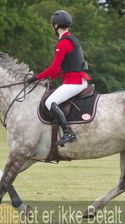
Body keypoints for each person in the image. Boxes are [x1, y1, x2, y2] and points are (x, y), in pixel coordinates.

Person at [26, 10, 91, 146]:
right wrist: (46, 78)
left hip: (75, 82)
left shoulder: (63, 42)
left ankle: (68, 133)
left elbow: (54, 67)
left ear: (55, 26)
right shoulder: (71, 39)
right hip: (78, 80)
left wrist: (37, 78)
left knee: (50, 102)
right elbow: (65, 68)